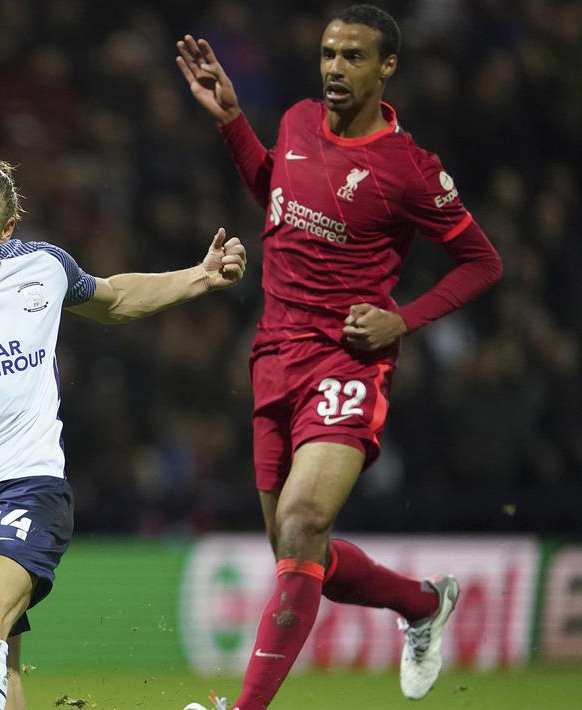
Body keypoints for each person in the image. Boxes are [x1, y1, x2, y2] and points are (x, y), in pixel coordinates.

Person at [174, 5, 503, 709]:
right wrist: (231, 121)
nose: (332, 68)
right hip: (272, 356)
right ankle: (420, 604)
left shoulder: (408, 169)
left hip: (345, 361)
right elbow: (280, 200)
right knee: (298, 554)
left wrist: (400, 321)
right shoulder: (295, 120)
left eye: (352, 56)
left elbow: (480, 262)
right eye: (327, 53)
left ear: (386, 67)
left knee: (301, 524)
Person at [0, 160, 246, 710]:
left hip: (28, 484)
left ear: (8, 229)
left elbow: (114, 299)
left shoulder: (43, 268)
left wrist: (201, 276)